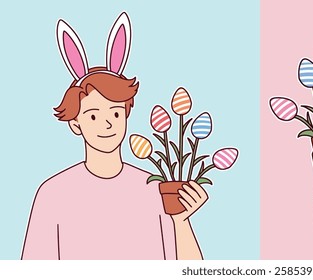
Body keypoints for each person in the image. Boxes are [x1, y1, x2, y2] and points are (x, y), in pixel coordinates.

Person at [22, 12, 207, 260]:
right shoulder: (53, 195)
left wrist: (181, 221)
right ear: (76, 124)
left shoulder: (156, 190)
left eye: (116, 113)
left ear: (127, 116)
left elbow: (190, 271)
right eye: (93, 116)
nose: (107, 124)